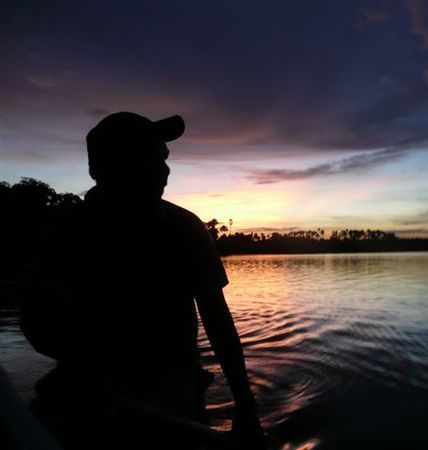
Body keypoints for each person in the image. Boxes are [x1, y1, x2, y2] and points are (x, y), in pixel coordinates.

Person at [20, 112, 265, 449]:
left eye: (162, 158)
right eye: (147, 158)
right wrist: (94, 370)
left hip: (171, 382)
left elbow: (219, 323)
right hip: (84, 383)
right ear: (103, 169)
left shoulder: (185, 228)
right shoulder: (67, 232)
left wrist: (246, 406)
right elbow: (36, 321)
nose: (164, 170)